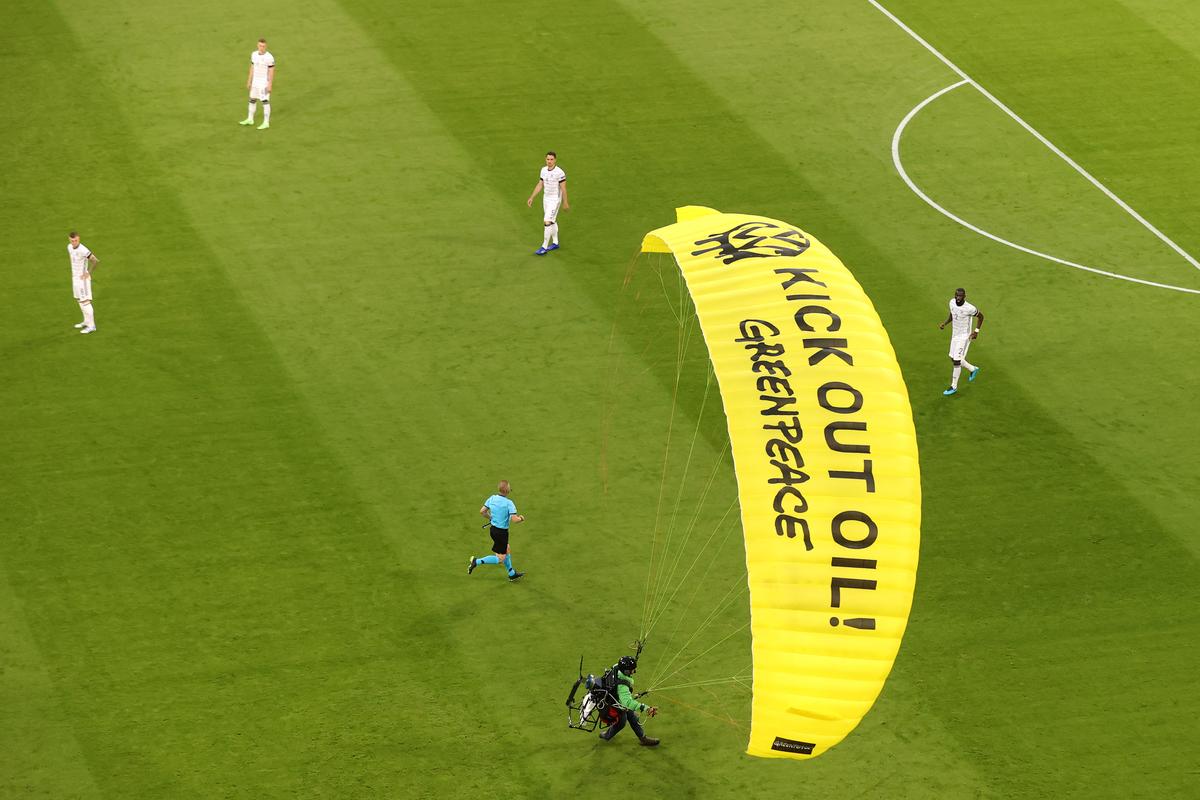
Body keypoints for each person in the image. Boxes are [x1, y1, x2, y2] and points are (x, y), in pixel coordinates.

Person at [468, 480, 525, 581]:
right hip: (501, 533)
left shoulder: (492, 498)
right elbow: (515, 520)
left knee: (507, 548)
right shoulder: (509, 503)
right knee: (500, 559)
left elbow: (482, 511)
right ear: (507, 491)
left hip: (493, 530)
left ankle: (511, 573)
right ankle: (476, 561)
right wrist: (521, 518)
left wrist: (490, 518)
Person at [599, 654, 660, 746]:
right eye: (632, 670)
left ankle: (643, 738)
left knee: (633, 718)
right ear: (626, 671)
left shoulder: (617, 667)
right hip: (616, 706)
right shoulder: (622, 686)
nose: (634, 671)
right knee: (621, 723)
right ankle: (606, 735)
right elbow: (627, 703)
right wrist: (647, 708)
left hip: (615, 700)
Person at [938, 287, 984, 396]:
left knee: (957, 361)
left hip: (964, 336)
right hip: (955, 335)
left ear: (964, 297)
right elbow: (952, 314)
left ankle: (953, 386)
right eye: (956, 295)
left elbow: (981, 317)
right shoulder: (952, 302)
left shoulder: (969, 308)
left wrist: (976, 332)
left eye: (960, 296)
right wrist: (945, 323)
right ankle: (973, 369)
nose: (958, 298)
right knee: (952, 358)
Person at [526, 151, 569, 255]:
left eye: (551, 159)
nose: (549, 161)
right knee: (552, 221)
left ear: (555, 160)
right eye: (548, 159)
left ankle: (544, 247)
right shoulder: (543, 170)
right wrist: (532, 197)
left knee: (547, 221)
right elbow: (540, 184)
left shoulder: (560, 172)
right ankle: (555, 243)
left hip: (555, 200)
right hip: (546, 199)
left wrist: (565, 202)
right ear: (545, 159)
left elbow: (563, 189)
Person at [67, 232, 100, 334]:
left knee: (85, 302)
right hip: (75, 278)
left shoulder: (83, 250)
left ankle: (92, 325)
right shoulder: (69, 247)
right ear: (69, 240)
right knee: (79, 300)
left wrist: (88, 273)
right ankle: (86, 321)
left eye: (76, 240)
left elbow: (95, 261)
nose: (74, 242)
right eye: (72, 241)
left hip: (82, 280)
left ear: (79, 239)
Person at [239, 38, 275, 130]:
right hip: (255, 81)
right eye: (260, 46)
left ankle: (266, 122)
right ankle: (250, 119)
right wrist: (249, 80)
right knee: (252, 99)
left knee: (265, 101)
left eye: (263, 46)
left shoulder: (269, 57)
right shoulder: (254, 54)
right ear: (257, 45)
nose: (261, 47)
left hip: (264, 82)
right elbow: (252, 67)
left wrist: (270, 84)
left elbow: (271, 71)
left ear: (265, 46)